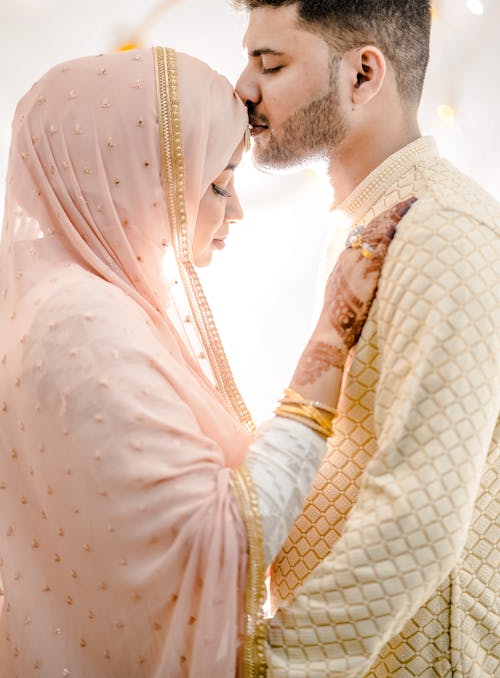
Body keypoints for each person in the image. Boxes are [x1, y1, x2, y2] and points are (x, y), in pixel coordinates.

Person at [0, 46, 412, 677]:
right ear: (128, 183)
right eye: (218, 183)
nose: (236, 210)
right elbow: (225, 540)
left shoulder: (73, 303)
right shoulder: (83, 326)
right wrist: (331, 338)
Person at [233, 0, 500, 676]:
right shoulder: (365, 226)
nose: (243, 89)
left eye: (271, 63)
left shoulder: (443, 232)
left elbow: (420, 508)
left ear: (363, 73)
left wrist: (273, 664)